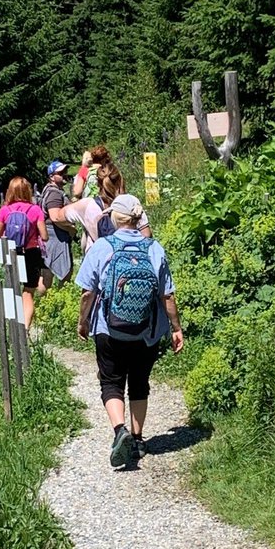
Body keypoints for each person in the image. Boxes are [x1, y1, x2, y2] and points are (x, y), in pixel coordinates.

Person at [76, 194, 184, 467]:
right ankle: (137, 439)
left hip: (108, 330)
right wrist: (176, 328)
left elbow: (88, 292)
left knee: (111, 381)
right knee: (139, 382)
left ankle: (119, 430)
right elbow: (167, 296)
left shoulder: (102, 247)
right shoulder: (154, 249)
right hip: (146, 332)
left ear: (115, 218)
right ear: (138, 219)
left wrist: (83, 322)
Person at [53, 162, 151, 255]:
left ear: (98, 184)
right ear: (121, 181)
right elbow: (147, 236)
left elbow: (57, 217)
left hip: (99, 265)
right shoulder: (131, 202)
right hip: (131, 266)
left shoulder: (86, 205)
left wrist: (71, 229)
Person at [0, 177, 48, 328]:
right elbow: (44, 236)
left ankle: (11, 327)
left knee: (12, 289)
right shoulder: (35, 210)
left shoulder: (4, 210)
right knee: (28, 292)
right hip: (31, 254)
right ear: (28, 191)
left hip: (11, 253)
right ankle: (25, 328)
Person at [38, 160, 76, 292]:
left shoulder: (51, 190)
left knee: (47, 274)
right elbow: (54, 217)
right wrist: (71, 229)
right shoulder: (54, 193)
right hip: (55, 236)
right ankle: (56, 304)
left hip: (50, 236)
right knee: (63, 273)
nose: (64, 174)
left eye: (65, 172)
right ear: (51, 177)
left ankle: (43, 305)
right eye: (60, 173)